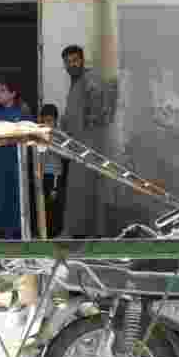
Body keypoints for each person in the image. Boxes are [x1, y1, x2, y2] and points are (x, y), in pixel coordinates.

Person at [59, 45, 106, 238]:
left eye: (75, 60)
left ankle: (87, 236)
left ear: (82, 60)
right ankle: (77, 233)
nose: (72, 65)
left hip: (87, 145)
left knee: (85, 190)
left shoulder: (89, 80)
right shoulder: (75, 82)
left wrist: (87, 127)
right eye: (68, 62)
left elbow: (97, 111)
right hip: (76, 146)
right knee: (76, 191)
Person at [0, 80, 27, 239]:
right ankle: (4, 232)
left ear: (12, 94)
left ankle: (20, 231)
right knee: (0, 195)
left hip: (17, 160)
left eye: (3, 90)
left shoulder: (22, 112)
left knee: (18, 195)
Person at [37, 103, 69, 237]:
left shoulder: (60, 135)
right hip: (41, 175)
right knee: (42, 206)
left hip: (55, 175)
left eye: (49, 121)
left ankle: (55, 234)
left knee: (54, 206)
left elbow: (67, 155)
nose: (47, 123)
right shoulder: (38, 134)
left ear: (56, 120)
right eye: (44, 121)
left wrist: (52, 145)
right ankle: (44, 234)